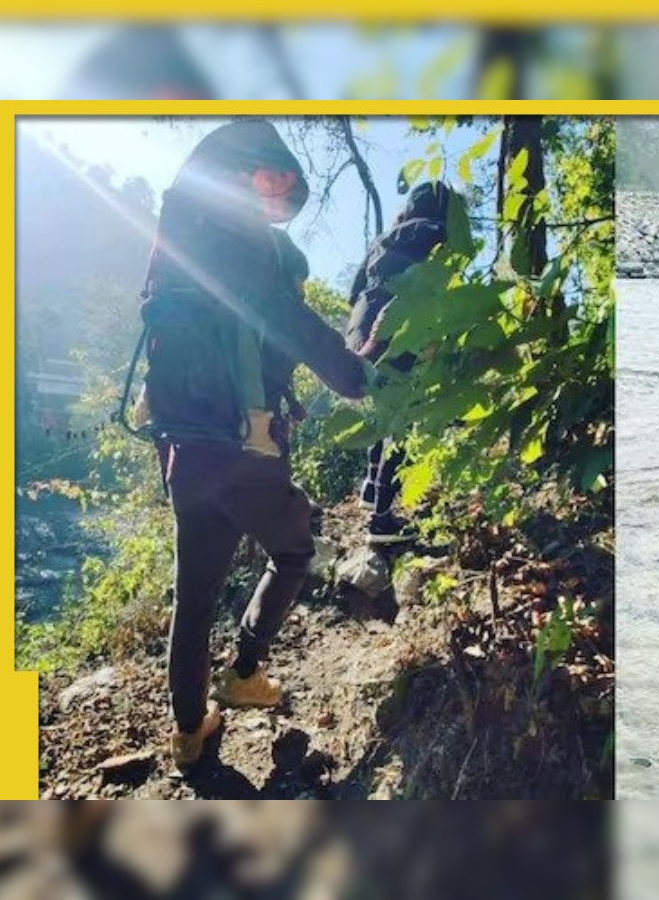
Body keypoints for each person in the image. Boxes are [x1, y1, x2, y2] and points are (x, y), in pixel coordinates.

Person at [143, 119, 371, 770]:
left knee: (194, 601)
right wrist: (355, 375)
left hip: (184, 451)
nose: (281, 193)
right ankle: (244, 672)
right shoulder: (235, 233)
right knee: (295, 550)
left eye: (288, 186)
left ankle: (190, 736)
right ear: (245, 167)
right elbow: (279, 314)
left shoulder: (181, 226)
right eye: (274, 176)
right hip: (245, 451)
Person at [344, 180, 453, 546]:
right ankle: (381, 520)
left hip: (360, 331)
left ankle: (372, 490)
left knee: (385, 414)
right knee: (402, 419)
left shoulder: (384, 239)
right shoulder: (436, 233)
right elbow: (435, 288)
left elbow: (352, 293)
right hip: (395, 328)